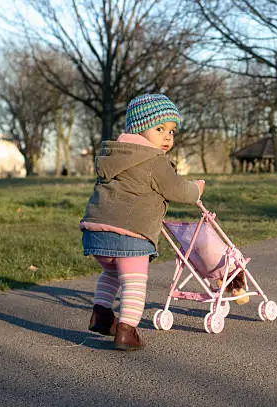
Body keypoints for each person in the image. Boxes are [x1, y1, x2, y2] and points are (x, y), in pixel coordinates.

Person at [80, 94, 205, 351]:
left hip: (94, 231)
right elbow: (178, 190)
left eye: (171, 131)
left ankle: (101, 315)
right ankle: (127, 331)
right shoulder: (153, 159)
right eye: (159, 129)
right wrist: (197, 188)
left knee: (111, 271)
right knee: (134, 280)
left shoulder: (113, 154)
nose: (167, 137)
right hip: (131, 233)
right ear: (138, 128)